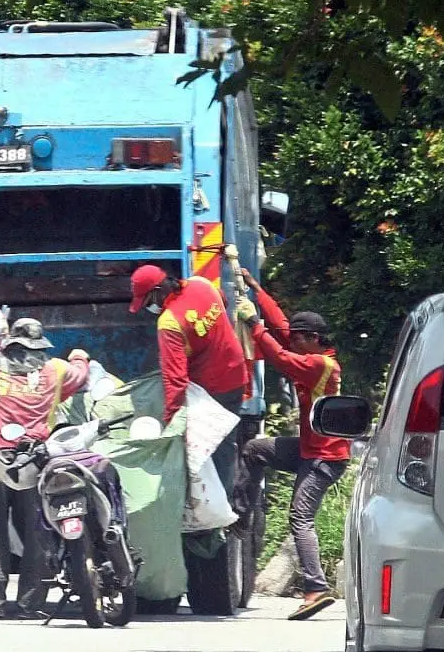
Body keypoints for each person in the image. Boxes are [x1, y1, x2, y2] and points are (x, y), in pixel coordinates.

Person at [233, 274, 349, 621]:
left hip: (324, 458)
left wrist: (254, 325)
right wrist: (256, 289)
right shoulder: (312, 352)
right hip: (309, 449)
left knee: (300, 518)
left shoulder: (319, 365)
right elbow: (283, 329)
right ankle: (241, 517)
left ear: (313, 339)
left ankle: (316, 588)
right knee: (254, 449)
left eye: (298, 339)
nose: (292, 342)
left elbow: (280, 356)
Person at [0, 313, 91, 620]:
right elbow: (80, 376)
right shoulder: (56, 370)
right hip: (37, 463)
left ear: (10, 345)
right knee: (39, 532)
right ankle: (30, 604)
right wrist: (80, 355)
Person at [128, 264, 249, 492]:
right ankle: (229, 501)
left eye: (147, 301)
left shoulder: (169, 322)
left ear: (157, 291)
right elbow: (223, 302)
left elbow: (175, 379)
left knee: (205, 455)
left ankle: (214, 506)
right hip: (236, 376)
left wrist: (172, 423)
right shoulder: (201, 284)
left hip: (210, 392)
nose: (148, 307)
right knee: (226, 446)